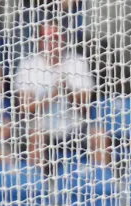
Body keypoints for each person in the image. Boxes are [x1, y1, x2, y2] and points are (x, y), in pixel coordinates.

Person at [14, 21, 108, 169]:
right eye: (47, 39)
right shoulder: (28, 65)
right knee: (35, 137)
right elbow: (24, 108)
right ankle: (37, 186)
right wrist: (53, 95)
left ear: (63, 39)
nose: (52, 43)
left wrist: (68, 90)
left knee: (99, 135)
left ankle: (105, 183)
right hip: (42, 126)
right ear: (39, 42)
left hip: (74, 126)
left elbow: (86, 105)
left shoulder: (77, 62)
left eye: (56, 38)